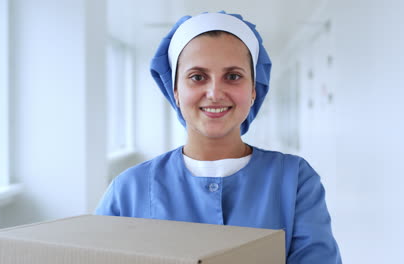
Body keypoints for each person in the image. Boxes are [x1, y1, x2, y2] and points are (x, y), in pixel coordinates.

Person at [95, 11, 342, 263]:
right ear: (175, 90)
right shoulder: (128, 189)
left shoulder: (295, 180)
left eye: (233, 76)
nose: (214, 93)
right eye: (197, 77)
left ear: (254, 90)